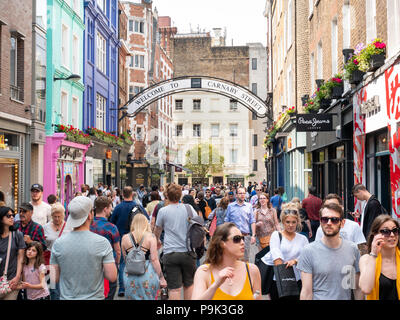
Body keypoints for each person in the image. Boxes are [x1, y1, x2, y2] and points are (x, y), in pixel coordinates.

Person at [50, 196, 117, 300]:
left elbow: (54, 278)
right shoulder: (102, 243)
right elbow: (112, 276)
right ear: (90, 215)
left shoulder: (58, 244)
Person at [297, 202, 363, 300]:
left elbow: (356, 288)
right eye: (325, 219)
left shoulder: (352, 249)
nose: (329, 223)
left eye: (334, 220)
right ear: (320, 222)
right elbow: (306, 292)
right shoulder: (308, 251)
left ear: (342, 223)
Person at [192, 222, 261, 300]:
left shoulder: (252, 270)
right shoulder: (204, 271)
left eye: (243, 238)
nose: (242, 242)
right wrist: (216, 284)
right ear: (222, 243)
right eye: (237, 239)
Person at [154, 183, 198, 300]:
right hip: (188, 251)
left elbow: (157, 230)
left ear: (167, 195)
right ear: (180, 195)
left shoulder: (163, 211)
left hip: (170, 252)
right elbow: (198, 224)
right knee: (189, 285)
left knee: (174, 288)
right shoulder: (189, 208)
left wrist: (157, 240)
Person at [261, 203, 309, 300]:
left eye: (293, 222)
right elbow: (276, 257)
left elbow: (308, 258)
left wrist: (295, 261)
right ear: (282, 222)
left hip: (298, 280)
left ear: (298, 222)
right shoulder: (276, 235)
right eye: (287, 222)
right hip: (279, 281)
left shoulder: (303, 239)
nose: (291, 225)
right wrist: (285, 276)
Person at [110, 186, 147, 297]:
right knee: (138, 261)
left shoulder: (118, 208)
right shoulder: (138, 207)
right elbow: (146, 219)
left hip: (121, 238)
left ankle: (122, 287)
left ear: (122, 194)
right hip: (136, 238)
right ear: (132, 194)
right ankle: (136, 286)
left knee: (122, 263)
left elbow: (112, 222)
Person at [121, 213, 166, 300]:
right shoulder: (151, 237)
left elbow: (125, 258)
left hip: (129, 275)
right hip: (147, 273)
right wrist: (161, 277)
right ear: (146, 223)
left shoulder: (124, 238)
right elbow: (154, 259)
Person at [359, 215, 400, 300]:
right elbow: (366, 289)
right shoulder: (366, 259)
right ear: (375, 235)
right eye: (386, 231)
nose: (392, 235)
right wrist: (374, 253)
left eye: (395, 230)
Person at [90, 196, 121, 300]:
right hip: (108, 266)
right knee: (109, 294)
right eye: (110, 207)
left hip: (90, 265)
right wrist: (116, 264)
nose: (111, 210)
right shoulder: (111, 227)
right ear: (105, 209)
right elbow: (117, 250)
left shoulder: (88, 225)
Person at [43, 202, 71, 300]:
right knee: (53, 287)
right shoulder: (45, 227)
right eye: (55, 216)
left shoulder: (69, 227)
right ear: (51, 216)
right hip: (51, 260)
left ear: (63, 215)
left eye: (59, 216)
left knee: (64, 286)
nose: (57, 219)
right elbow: (43, 245)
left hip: (65, 260)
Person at [224, 187, 256, 262]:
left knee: (245, 259)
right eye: (240, 193)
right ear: (236, 195)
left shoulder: (249, 206)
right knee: (234, 259)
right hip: (233, 237)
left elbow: (252, 221)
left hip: (245, 236)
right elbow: (226, 221)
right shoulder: (230, 206)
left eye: (244, 193)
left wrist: (253, 235)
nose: (242, 195)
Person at [0, 207, 25, 300]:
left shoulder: (17, 234)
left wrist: (18, 276)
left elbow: (20, 257)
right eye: (8, 216)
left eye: (13, 215)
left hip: (11, 279)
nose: (12, 218)